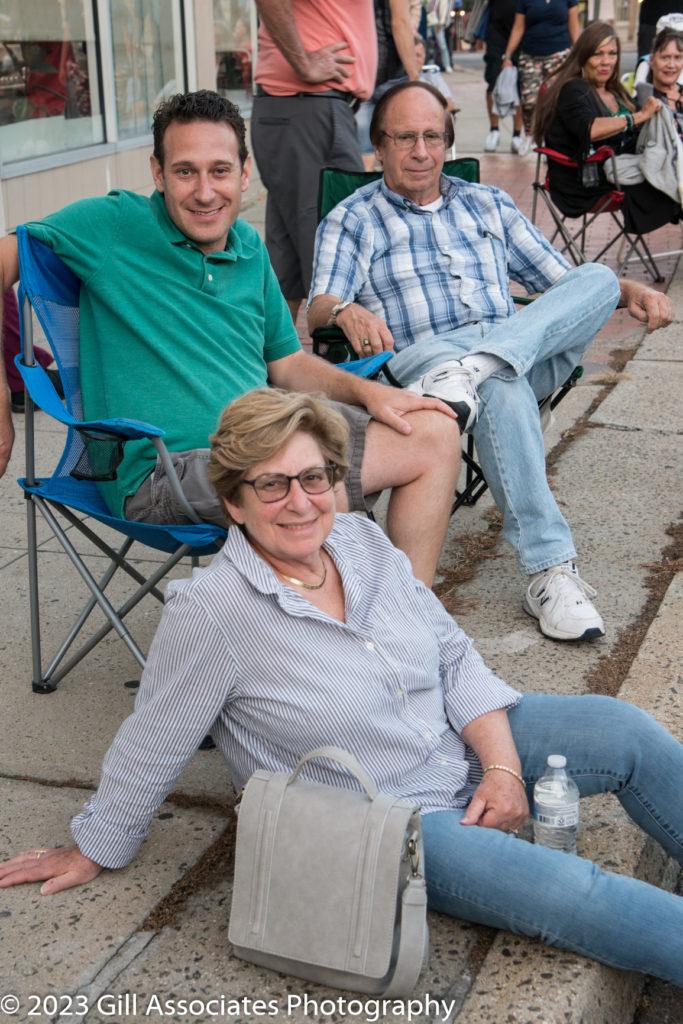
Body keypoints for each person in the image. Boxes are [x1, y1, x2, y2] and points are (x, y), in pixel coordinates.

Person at [1, 388, 681, 986]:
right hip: (389, 821)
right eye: (272, 485)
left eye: (315, 477)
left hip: (454, 738)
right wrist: (96, 844)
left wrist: (501, 768)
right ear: (233, 502)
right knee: (574, 891)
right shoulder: (212, 609)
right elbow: (154, 738)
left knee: (623, 732)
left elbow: (452, 656)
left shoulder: (358, 539)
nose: (300, 503)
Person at [0, 89, 461, 589]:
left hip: (270, 442)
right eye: (185, 172)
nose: (204, 192)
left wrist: (373, 394)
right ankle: (341, 637)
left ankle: (414, 620)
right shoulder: (112, 225)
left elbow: (286, 363)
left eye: (219, 171)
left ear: (245, 173)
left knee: (433, 433)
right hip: (163, 471)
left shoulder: (247, 247)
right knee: (302, 482)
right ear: (158, 173)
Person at [307, 80, 673, 642]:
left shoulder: (489, 203)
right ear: (378, 147)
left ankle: (480, 367)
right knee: (502, 391)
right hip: (429, 362)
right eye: (404, 137)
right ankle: (551, 572)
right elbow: (319, 309)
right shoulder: (355, 218)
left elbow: (560, 283)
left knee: (596, 277)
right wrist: (348, 309)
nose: (421, 151)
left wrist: (627, 291)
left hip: (512, 347)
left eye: (432, 136)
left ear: (448, 142)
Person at [250, 0, 377, 324]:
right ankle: (340, 372)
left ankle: (265, 368)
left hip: (304, 111)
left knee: (287, 269)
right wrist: (303, 62)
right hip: (310, 109)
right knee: (338, 264)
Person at [534, 22, 682, 235]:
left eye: (612, 53)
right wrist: (639, 117)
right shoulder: (574, 89)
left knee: (671, 171)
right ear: (583, 57)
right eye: (597, 54)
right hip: (585, 183)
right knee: (671, 180)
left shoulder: (615, 91)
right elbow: (590, 129)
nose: (606, 61)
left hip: (620, 172)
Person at [501, 0, 581, 144]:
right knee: (529, 101)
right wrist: (507, 55)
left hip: (560, 55)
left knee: (555, 101)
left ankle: (553, 140)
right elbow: (518, 27)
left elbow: (574, 26)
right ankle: (532, 137)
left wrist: (580, 53)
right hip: (530, 55)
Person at [355, 0, 422, 170]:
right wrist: (414, 77)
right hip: (391, 71)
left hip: (362, 70)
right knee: (400, 148)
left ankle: (365, 192)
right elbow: (400, 23)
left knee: (364, 150)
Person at [482, 0, 525, 153]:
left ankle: (517, 135)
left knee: (521, 86)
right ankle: (494, 131)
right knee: (492, 82)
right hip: (496, 31)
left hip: (523, 29)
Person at [646, 27, 683, 140]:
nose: (671, 65)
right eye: (665, 57)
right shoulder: (643, 101)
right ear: (651, 60)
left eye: (677, 57)